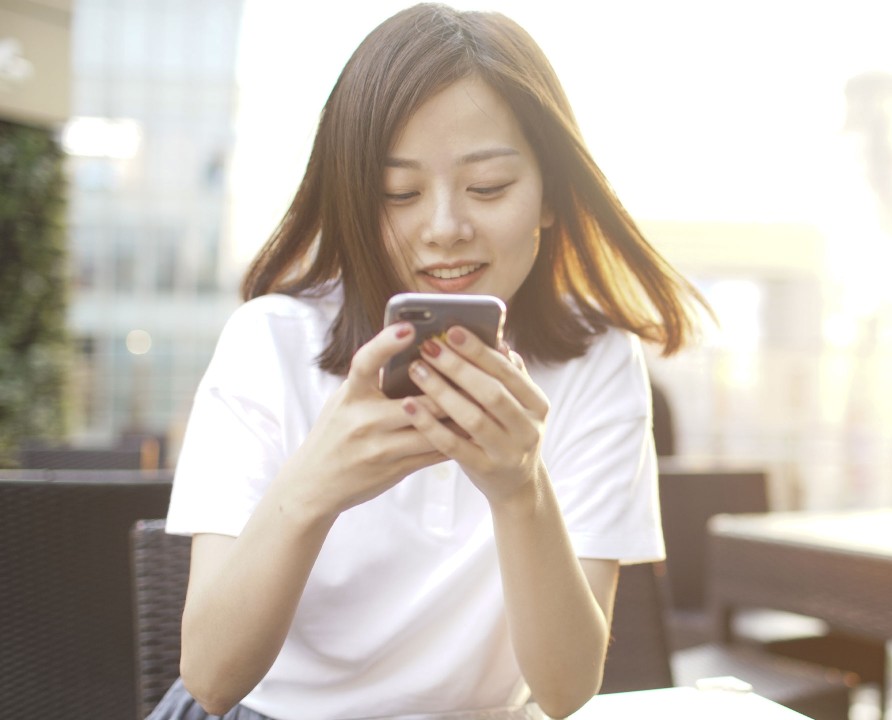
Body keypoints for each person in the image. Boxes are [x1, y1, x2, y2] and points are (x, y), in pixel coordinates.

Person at [151, 4, 706, 719]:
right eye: (399, 194)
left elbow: (567, 692)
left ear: (549, 197)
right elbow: (212, 677)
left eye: (488, 188)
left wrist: (519, 490)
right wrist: (315, 486)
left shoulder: (600, 362)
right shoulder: (269, 342)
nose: (444, 228)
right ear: (354, 200)